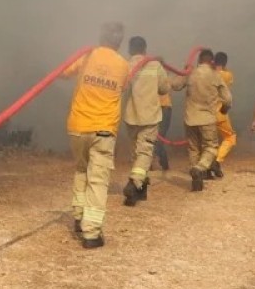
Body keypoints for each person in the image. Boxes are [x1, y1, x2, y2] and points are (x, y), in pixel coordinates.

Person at [59, 22, 129, 249]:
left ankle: (79, 216)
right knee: (98, 179)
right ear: (120, 41)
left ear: (101, 36)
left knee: (81, 170)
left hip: (78, 126)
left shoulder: (87, 56)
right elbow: (123, 87)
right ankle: (91, 233)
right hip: (103, 130)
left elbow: (63, 73)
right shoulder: (123, 65)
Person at [169, 48, 231, 192]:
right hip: (207, 119)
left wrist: (184, 70)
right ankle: (200, 168)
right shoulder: (215, 75)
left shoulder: (191, 72)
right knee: (211, 147)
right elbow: (227, 99)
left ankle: (196, 181)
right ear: (212, 61)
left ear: (199, 60)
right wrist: (224, 109)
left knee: (193, 149)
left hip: (190, 119)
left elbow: (175, 85)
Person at [121, 36, 169, 206]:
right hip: (149, 116)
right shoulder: (154, 65)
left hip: (131, 116)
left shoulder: (124, 66)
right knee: (145, 153)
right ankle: (134, 182)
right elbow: (164, 89)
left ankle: (140, 189)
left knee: (136, 153)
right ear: (145, 49)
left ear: (129, 49)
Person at [209, 51, 236, 179]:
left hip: (206, 113)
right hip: (220, 112)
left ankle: (207, 166)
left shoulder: (207, 74)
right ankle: (217, 161)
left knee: (209, 141)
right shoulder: (228, 75)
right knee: (230, 138)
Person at [152, 82, 173, 172]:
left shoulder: (162, 75)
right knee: (156, 136)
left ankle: (153, 162)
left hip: (162, 108)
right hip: (158, 108)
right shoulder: (162, 75)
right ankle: (163, 163)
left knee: (159, 137)